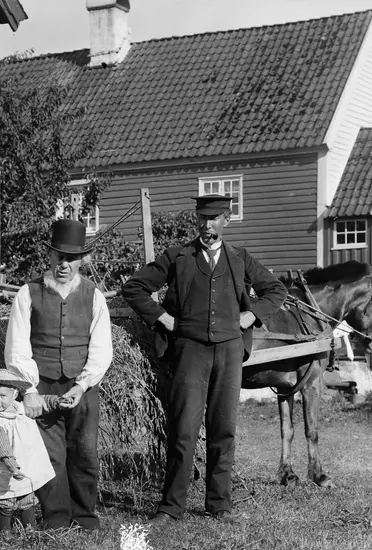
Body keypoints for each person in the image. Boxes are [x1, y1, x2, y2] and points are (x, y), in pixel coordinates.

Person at [121, 194, 289, 526]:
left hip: (228, 353)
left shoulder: (240, 259)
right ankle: (171, 507)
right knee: (183, 430)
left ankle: (219, 503)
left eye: (214, 219)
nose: (207, 225)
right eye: (202, 219)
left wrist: (250, 315)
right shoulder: (178, 257)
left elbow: (276, 290)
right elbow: (135, 288)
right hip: (189, 354)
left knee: (223, 429)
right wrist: (162, 319)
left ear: (226, 220)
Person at [5, 218, 113, 531]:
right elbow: (16, 347)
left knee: (84, 453)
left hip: (82, 386)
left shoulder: (94, 296)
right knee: (49, 456)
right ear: (50, 256)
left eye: (71, 258)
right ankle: (56, 518)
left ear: (82, 260)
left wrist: (83, 385)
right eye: (59, 257)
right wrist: (30, 391)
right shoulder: (28, 293)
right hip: (42, 385)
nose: (64, 264)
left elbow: (102, 348)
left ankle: (85, 517)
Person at [0, 368, 55, 532]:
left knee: (26, 497)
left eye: (3, 396)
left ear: (14, 395)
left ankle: (30, 530)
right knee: (6, 500)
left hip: (25, 463)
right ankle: (5, 532)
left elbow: (43, 403)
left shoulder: (20, 409)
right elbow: (3, 449)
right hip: (6, 468)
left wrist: (58, 401)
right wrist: (13, 467)